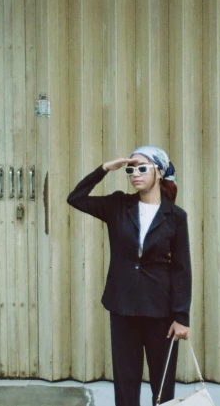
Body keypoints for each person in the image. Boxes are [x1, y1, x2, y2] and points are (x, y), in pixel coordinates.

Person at [67, 146, 192, 406]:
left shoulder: (176, 216)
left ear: (159, 172)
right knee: (125, 381)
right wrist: (104, 169)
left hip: (161, 310)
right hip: (123, 306)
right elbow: (76, 198)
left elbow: (182, 267)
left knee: (163, 383)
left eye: (142, 168)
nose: (135, 174)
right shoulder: (118, 205)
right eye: (130, 169)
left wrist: (181, 317)